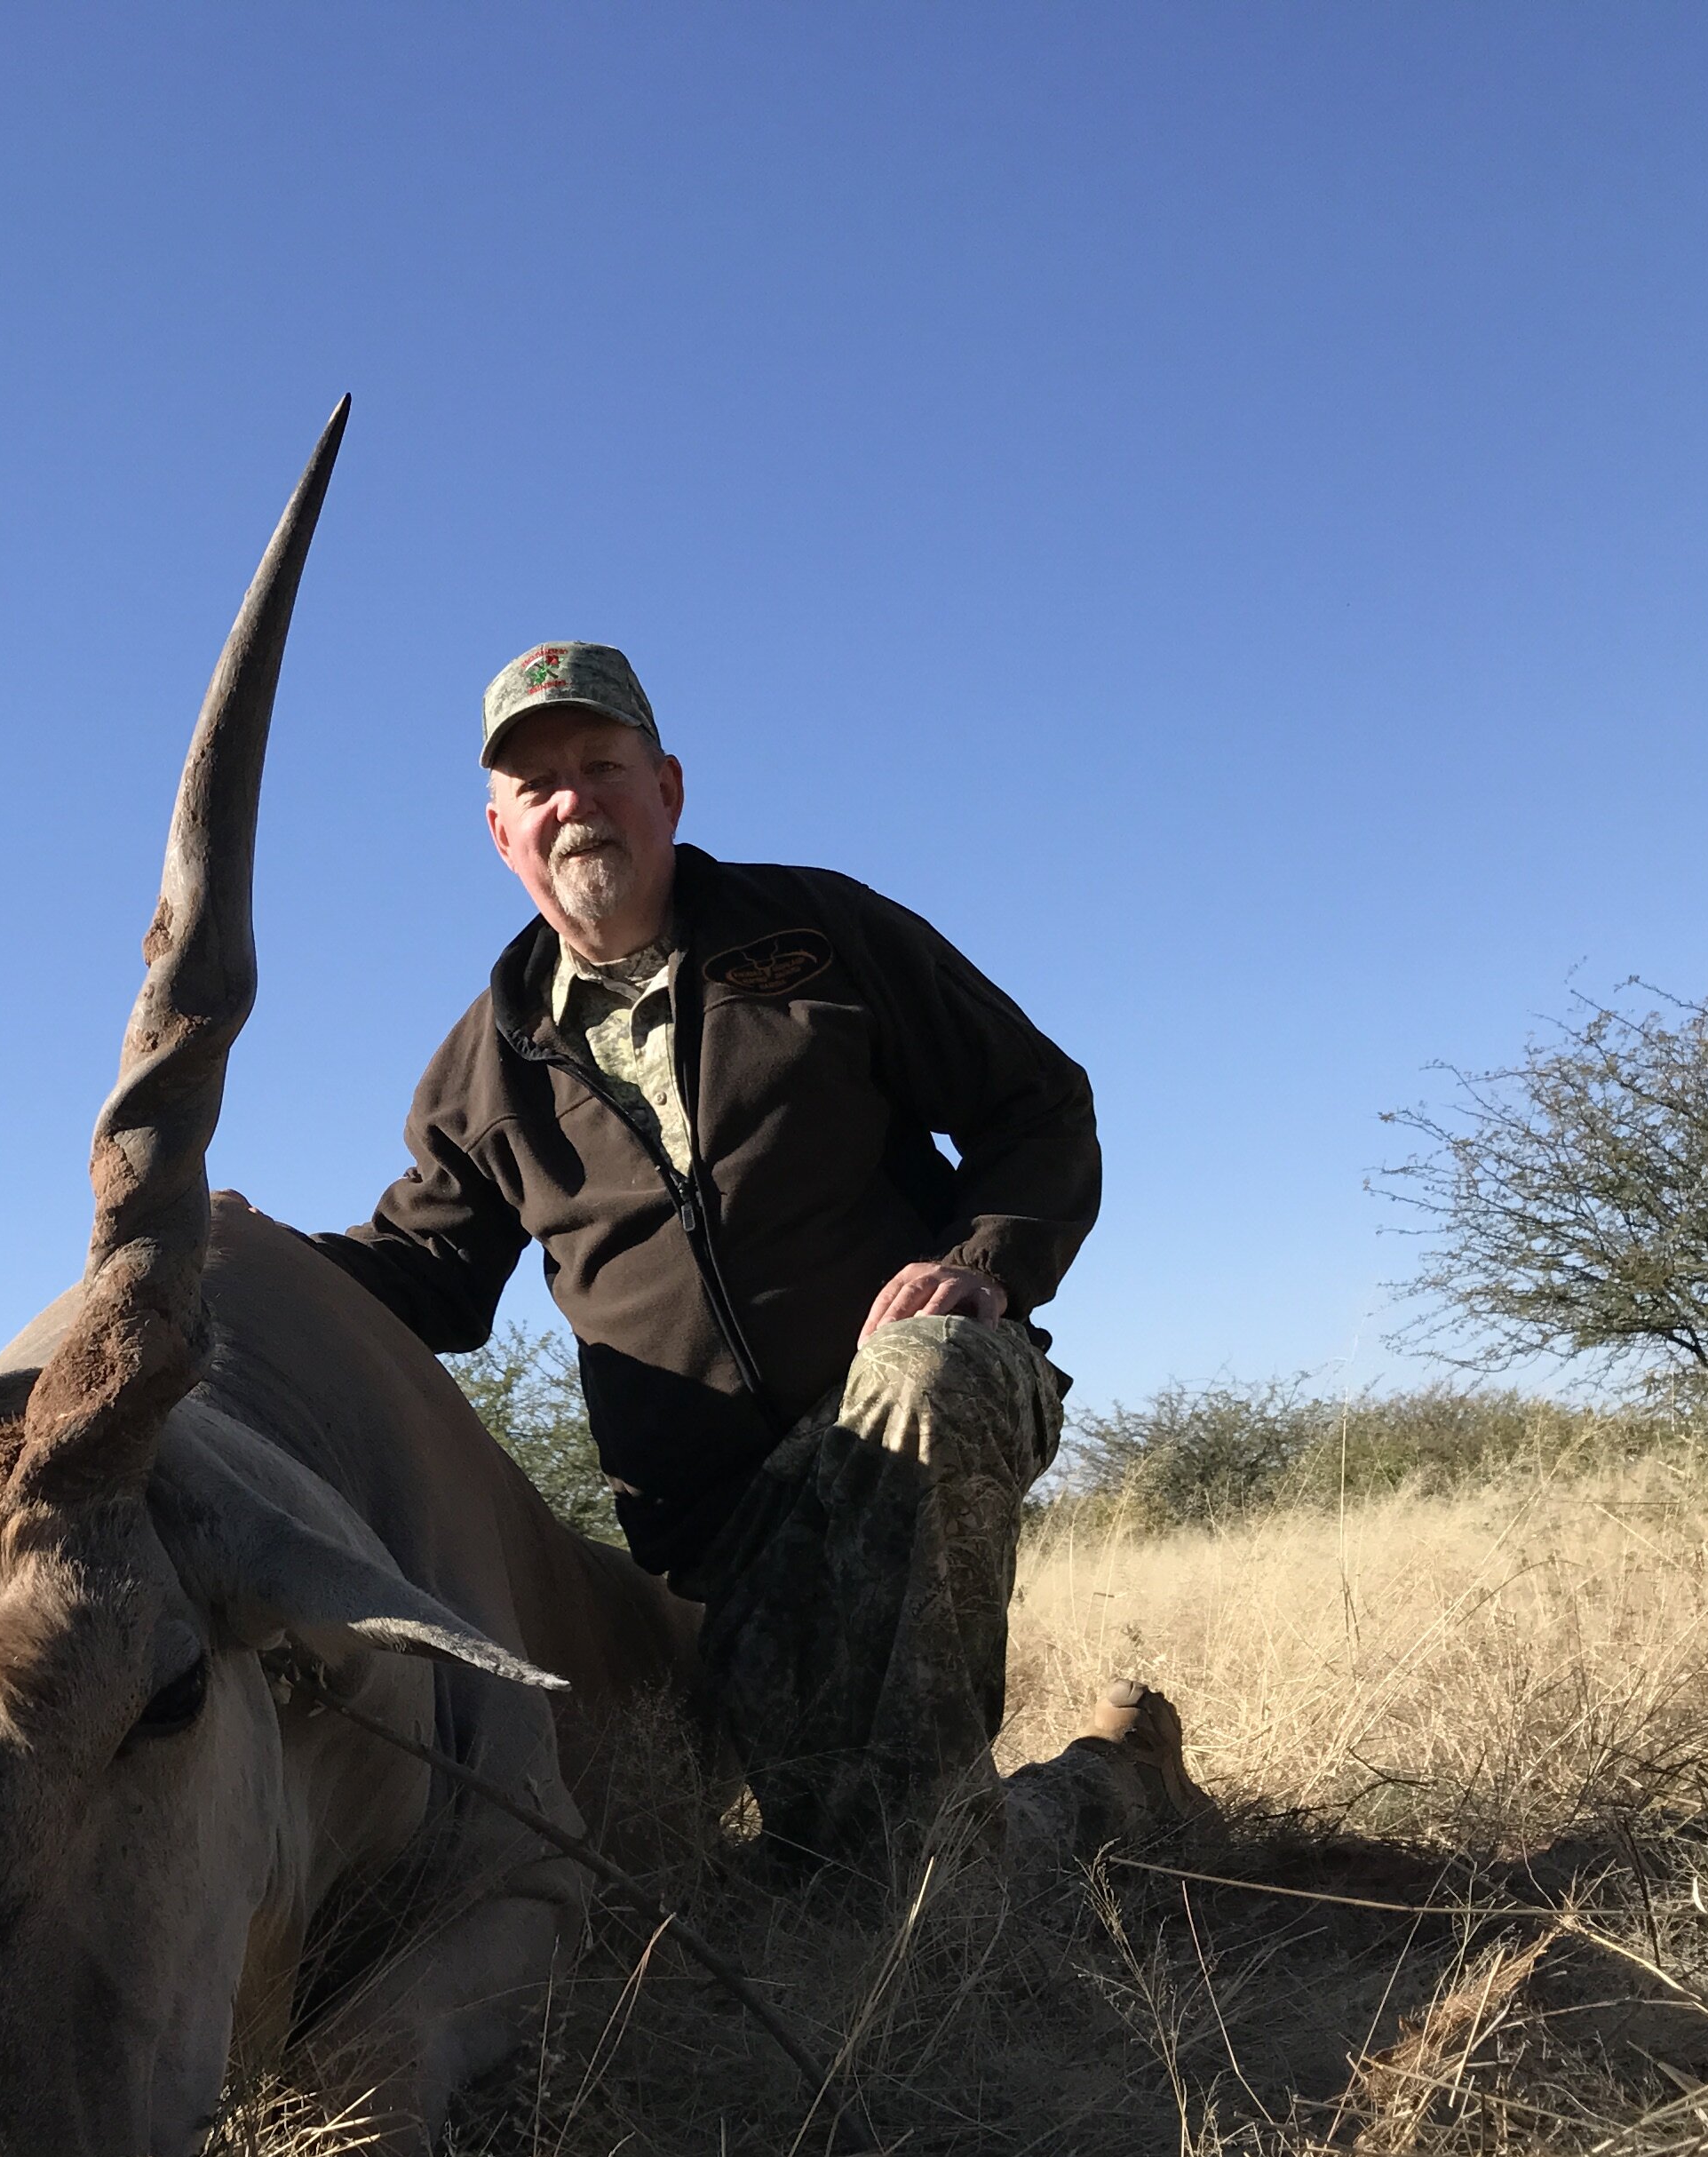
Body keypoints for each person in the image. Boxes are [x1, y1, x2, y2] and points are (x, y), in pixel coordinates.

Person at [312, 641, 1203, 1879]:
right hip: (716, 1549)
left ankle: (943, 1898)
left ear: (668, 788)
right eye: (539, 785)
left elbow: (1040, 1105)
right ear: (499, 833)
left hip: (910, 1436)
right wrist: (234, 1254)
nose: (574, 801)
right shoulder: (484, 1067)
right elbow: (426, 1276)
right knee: (826, 1850)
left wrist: (986, 1262)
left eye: (603, 766)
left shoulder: (822, 932)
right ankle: (1114, 1779)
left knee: (926, 1376)